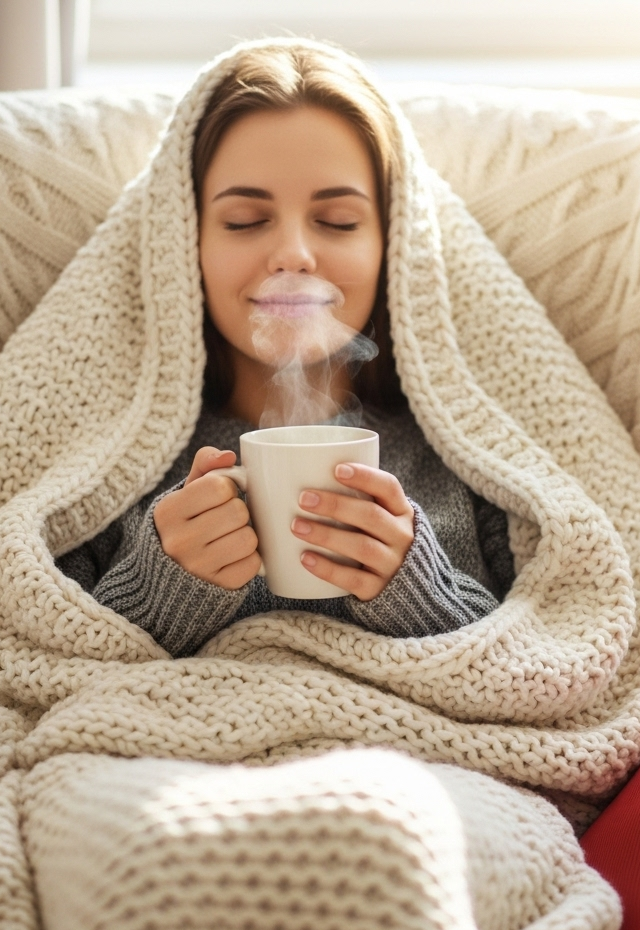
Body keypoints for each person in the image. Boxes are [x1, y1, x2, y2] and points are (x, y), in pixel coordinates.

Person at [57, 43, 516, 657]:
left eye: (338, 221)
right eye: (245, 220)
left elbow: (540, 649)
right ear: (181, 244)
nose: (294, 254)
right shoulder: (113, 467)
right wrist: (159, 587)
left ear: (394, 245)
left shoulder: (468, 458)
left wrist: (416, 590)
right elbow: (42, 654)